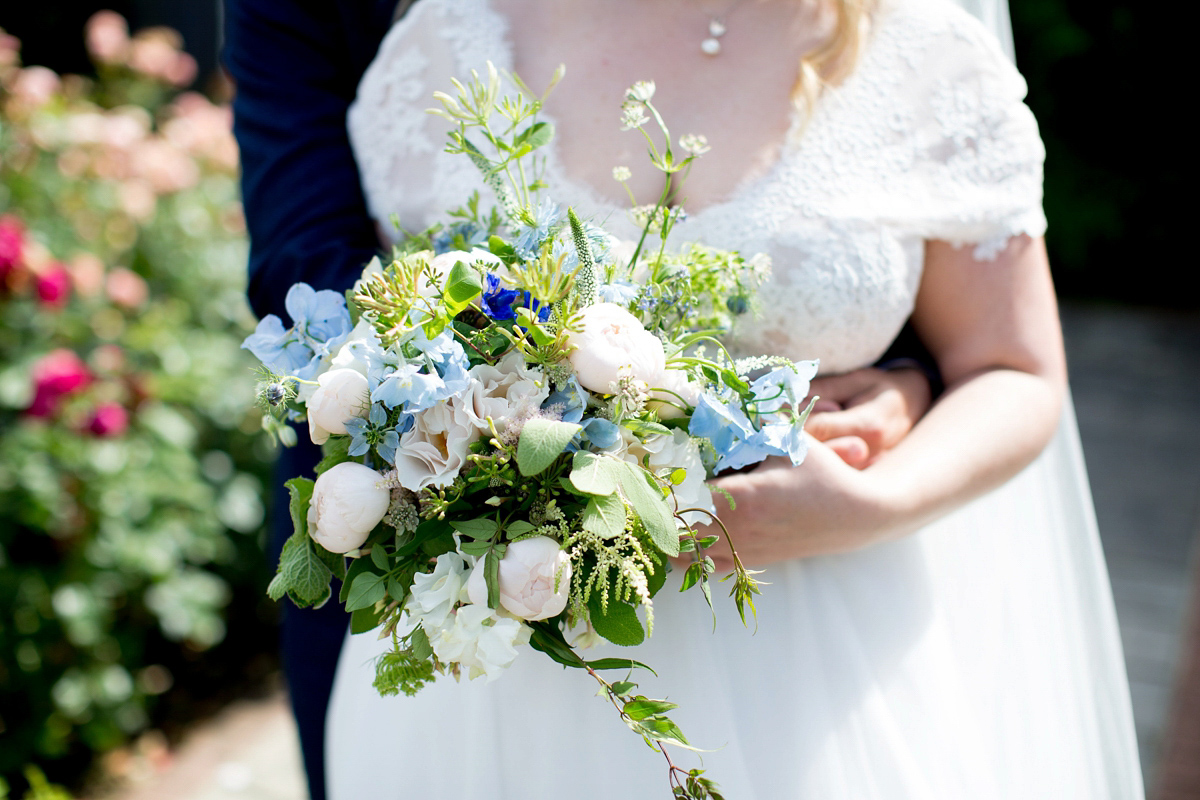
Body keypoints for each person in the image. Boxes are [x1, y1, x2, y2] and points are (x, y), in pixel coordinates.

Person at [316, 0, 1145, 797]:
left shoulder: (920, 51)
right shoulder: (446, 40)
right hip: (500, 678)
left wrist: (868, 504)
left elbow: (1012, 366)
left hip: (826, 653)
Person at [221, 1, 935, 797]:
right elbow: (312, 261)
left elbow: (977, 332)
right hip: (467, 599)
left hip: (816, 616)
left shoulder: (895, 38)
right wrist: (516, 413)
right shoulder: (432, 37)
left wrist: (907, 392)